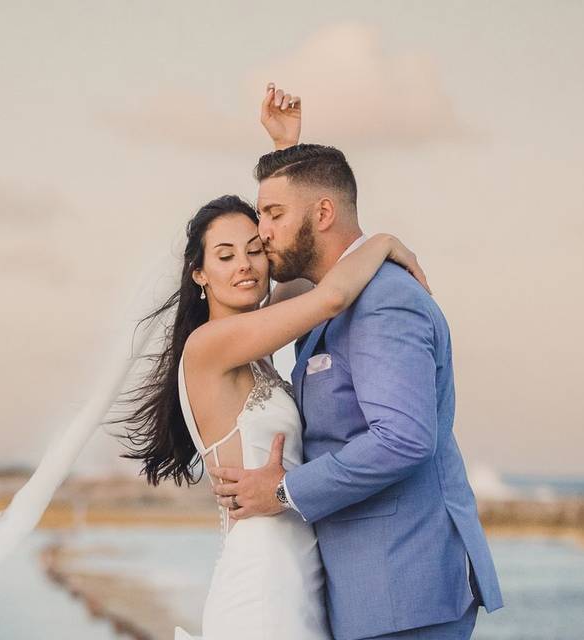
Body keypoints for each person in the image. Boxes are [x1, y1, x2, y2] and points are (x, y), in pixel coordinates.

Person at [117, 85, 432, 640]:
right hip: (262, 585)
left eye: (253, 250)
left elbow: (310, 246)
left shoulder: (260, 333)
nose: (246, 264)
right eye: (225, 256)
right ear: (198, 274)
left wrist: (288, 147)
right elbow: (333, 294)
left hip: (303, 575)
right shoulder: (209, 348)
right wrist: (381, 241)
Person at [207, 85, 505, 639]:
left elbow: (403, 439)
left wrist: (283, 492)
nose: (261, 233)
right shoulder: (325, 298)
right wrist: (285, 150)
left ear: (322, 213)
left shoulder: (382, 300)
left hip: (404, 586)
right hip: (365, 589)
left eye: (271, 214)